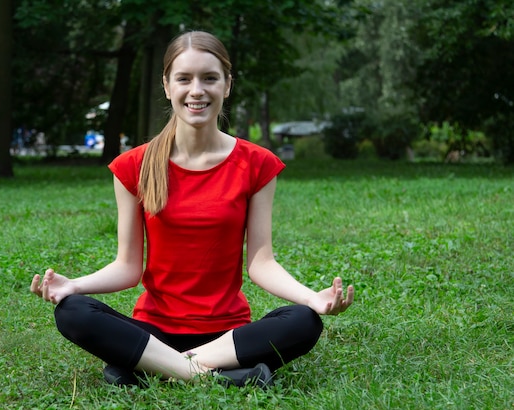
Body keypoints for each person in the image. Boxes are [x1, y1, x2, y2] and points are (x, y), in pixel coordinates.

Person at [30, 30, 354, 388]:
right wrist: (73, 285)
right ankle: (207, 376)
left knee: (304, 321)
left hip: (226, 336)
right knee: (73, 312)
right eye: (184, 78)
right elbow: (127, 267)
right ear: (167, 86)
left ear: (227, 85)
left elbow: (262, 263)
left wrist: (313, 298)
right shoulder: (133, 166)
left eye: (210, 78)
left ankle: (150, 369)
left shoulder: (257, 164)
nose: (196, 90)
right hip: (153, 330)